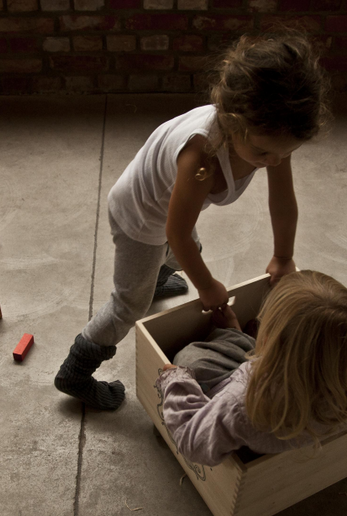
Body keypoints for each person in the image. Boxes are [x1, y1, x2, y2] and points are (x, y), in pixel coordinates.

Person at [54, 31, 331, 411]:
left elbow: (281, 202)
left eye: (284, 154)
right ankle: (76, 371)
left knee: (189, 251)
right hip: (139, 214)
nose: (273, 162)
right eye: (263, 153)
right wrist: (208, 287)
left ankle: (157, 276)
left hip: (172, 205)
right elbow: (175, 233)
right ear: (233, 123)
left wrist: (284, 255)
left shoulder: (272, 139)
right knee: (130, 303)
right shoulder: (201, 155)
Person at [156, 270, 347, 467]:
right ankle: (237, 337)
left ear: (266, 342)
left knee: (190, 359)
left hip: (236, 410)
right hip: (270, 413)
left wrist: (176, 380)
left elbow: (193, 442)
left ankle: (236, 336)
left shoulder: (243, 402)